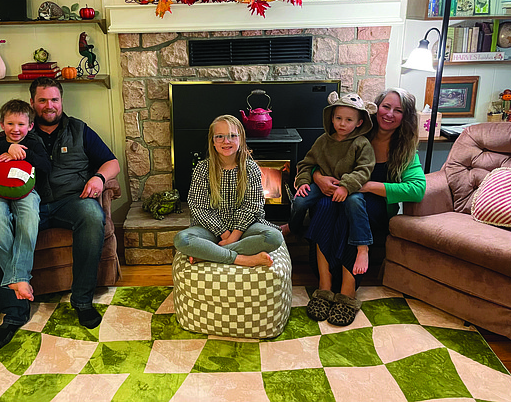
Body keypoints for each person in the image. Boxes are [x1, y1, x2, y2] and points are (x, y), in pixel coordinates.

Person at [0, 77, 120, 349]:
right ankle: (14, 313)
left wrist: (99, 178)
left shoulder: (79, 129)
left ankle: (83, 300)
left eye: (54, 99)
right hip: (25, 201)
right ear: (32, 103)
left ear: (62, 101)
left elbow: (112, 162)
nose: (49, 105)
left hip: (70, 201)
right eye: (42, 100)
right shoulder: (18, 130)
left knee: (92, 216)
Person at [296, 88, 425, 327]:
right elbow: (317, 161)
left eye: (398, 110)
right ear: (374, 110)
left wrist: (369, 186)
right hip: (339, 194)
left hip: (372, 205)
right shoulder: (352, 134)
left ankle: (347, 290)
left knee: (351, 210)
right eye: (386, 107)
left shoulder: (404, 150)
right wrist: (317, 178)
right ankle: (324, 286)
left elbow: (417, 189)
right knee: (324, 206)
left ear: (405, 117)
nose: (389, 114)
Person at [285, 92, 377, 276]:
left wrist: (346, 186)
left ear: (359, 122)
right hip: (322, 184)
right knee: (300, 201)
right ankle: (292, 227)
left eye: (349, 120)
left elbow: (364, 169)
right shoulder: (323, 141)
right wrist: (303, 182)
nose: (342, 124)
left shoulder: (362, 144)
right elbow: (306, 163)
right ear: (331, 118)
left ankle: (362, 246)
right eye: (338, 118)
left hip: (350, 188)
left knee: (356, 203)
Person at [173, 115, 283, 267]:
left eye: (232, 136)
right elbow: (198, 207)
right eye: (220, 136)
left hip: (246, 228)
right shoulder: (202, 169)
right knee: (182, 239)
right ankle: (241, 259)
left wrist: (233, 237)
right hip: (210, 230)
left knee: (274, 237)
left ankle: (209, 255)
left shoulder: (251, 169)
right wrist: (224, 233)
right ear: (212, 141)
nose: (226, 141)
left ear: (241, 139)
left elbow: (253, 206)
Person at [0, 99, 51, 306]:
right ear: (2, 124)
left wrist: (22, 153)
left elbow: (46, 166)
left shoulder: (34, 143)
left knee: (28, 221)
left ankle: (15, 278)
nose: (15, 129)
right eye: (10, 124)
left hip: (27, 192)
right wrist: (9, 146)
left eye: (21, 124)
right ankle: (20, 279)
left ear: (30, 126)